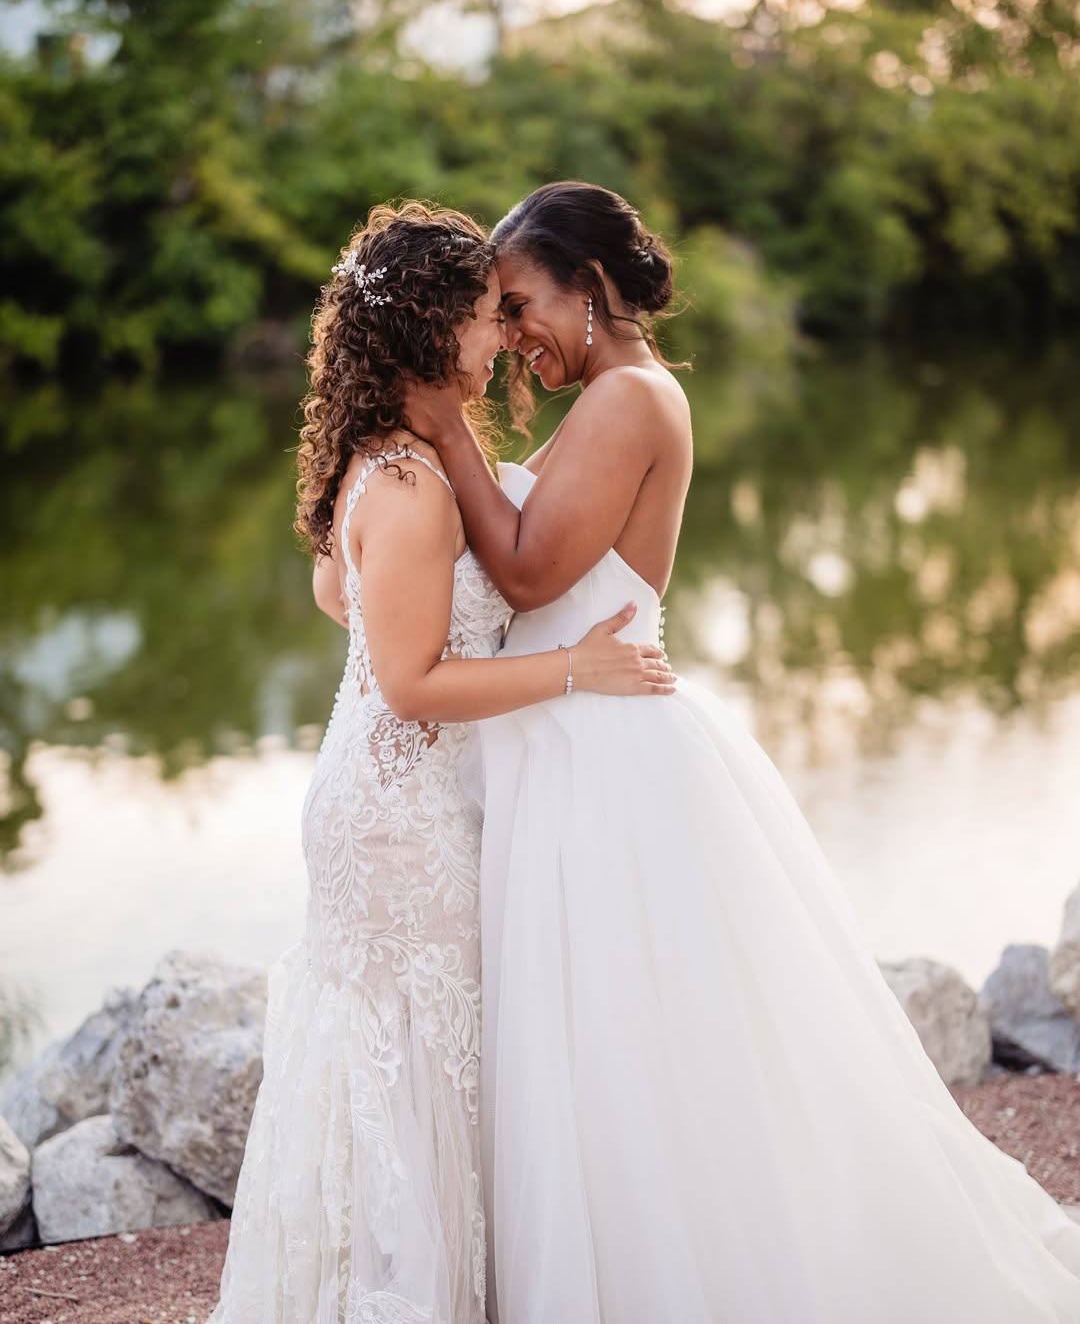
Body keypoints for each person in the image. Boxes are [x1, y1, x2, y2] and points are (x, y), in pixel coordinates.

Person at [408, 180, 1080, 1324]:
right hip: (566, 741)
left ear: (593, 289)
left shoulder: (629, 399)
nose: (512, 332)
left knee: (637, 1039)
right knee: (600, 1047)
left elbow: (527, 570)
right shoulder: (611, 399)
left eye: (520, 304)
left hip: (607, 760)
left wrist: (444, 431)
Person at [207, 200, 674, 1324]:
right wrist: (571, 670)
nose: (498, 339)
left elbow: (345, 605)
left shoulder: (382, 462)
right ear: (428, 331)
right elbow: (413, 680)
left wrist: (422, 634)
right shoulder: (416, 484)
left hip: (376, 797)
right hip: (405, 817)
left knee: (385, 1081)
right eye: (482, 316)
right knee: (419, 1083)